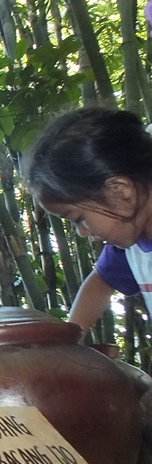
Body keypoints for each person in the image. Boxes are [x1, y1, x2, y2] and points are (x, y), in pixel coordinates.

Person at [22, 106, 152, 336]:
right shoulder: (131, 246)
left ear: (120, 190)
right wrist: (70, 340)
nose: (82, 232)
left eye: (78, 218)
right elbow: (100, 282)